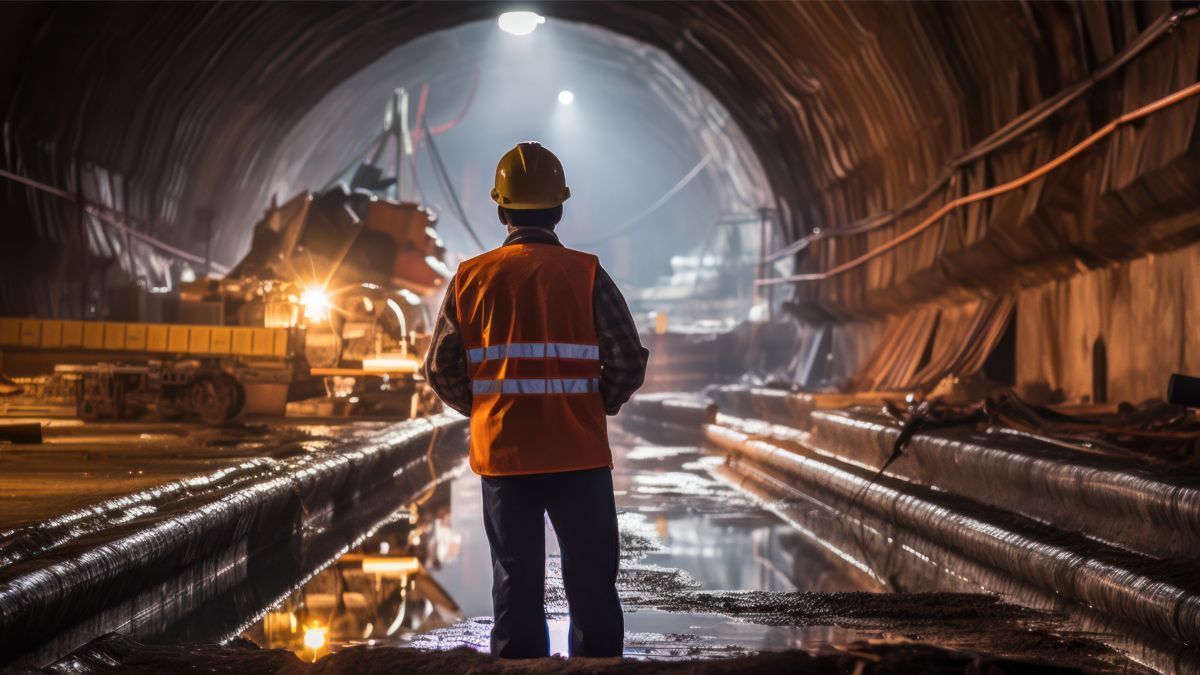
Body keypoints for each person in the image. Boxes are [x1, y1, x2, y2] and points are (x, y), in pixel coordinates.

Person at [423, 142, 649, 659]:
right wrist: (595, 405)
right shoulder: (586, 274)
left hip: (506, 455)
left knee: (516, 587)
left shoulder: (470, 278)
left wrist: (484, 407)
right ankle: (596, 670)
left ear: (500, 209)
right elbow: (627, 360)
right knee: (592, 584)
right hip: (579, 453)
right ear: (560, 207)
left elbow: (441, 368)